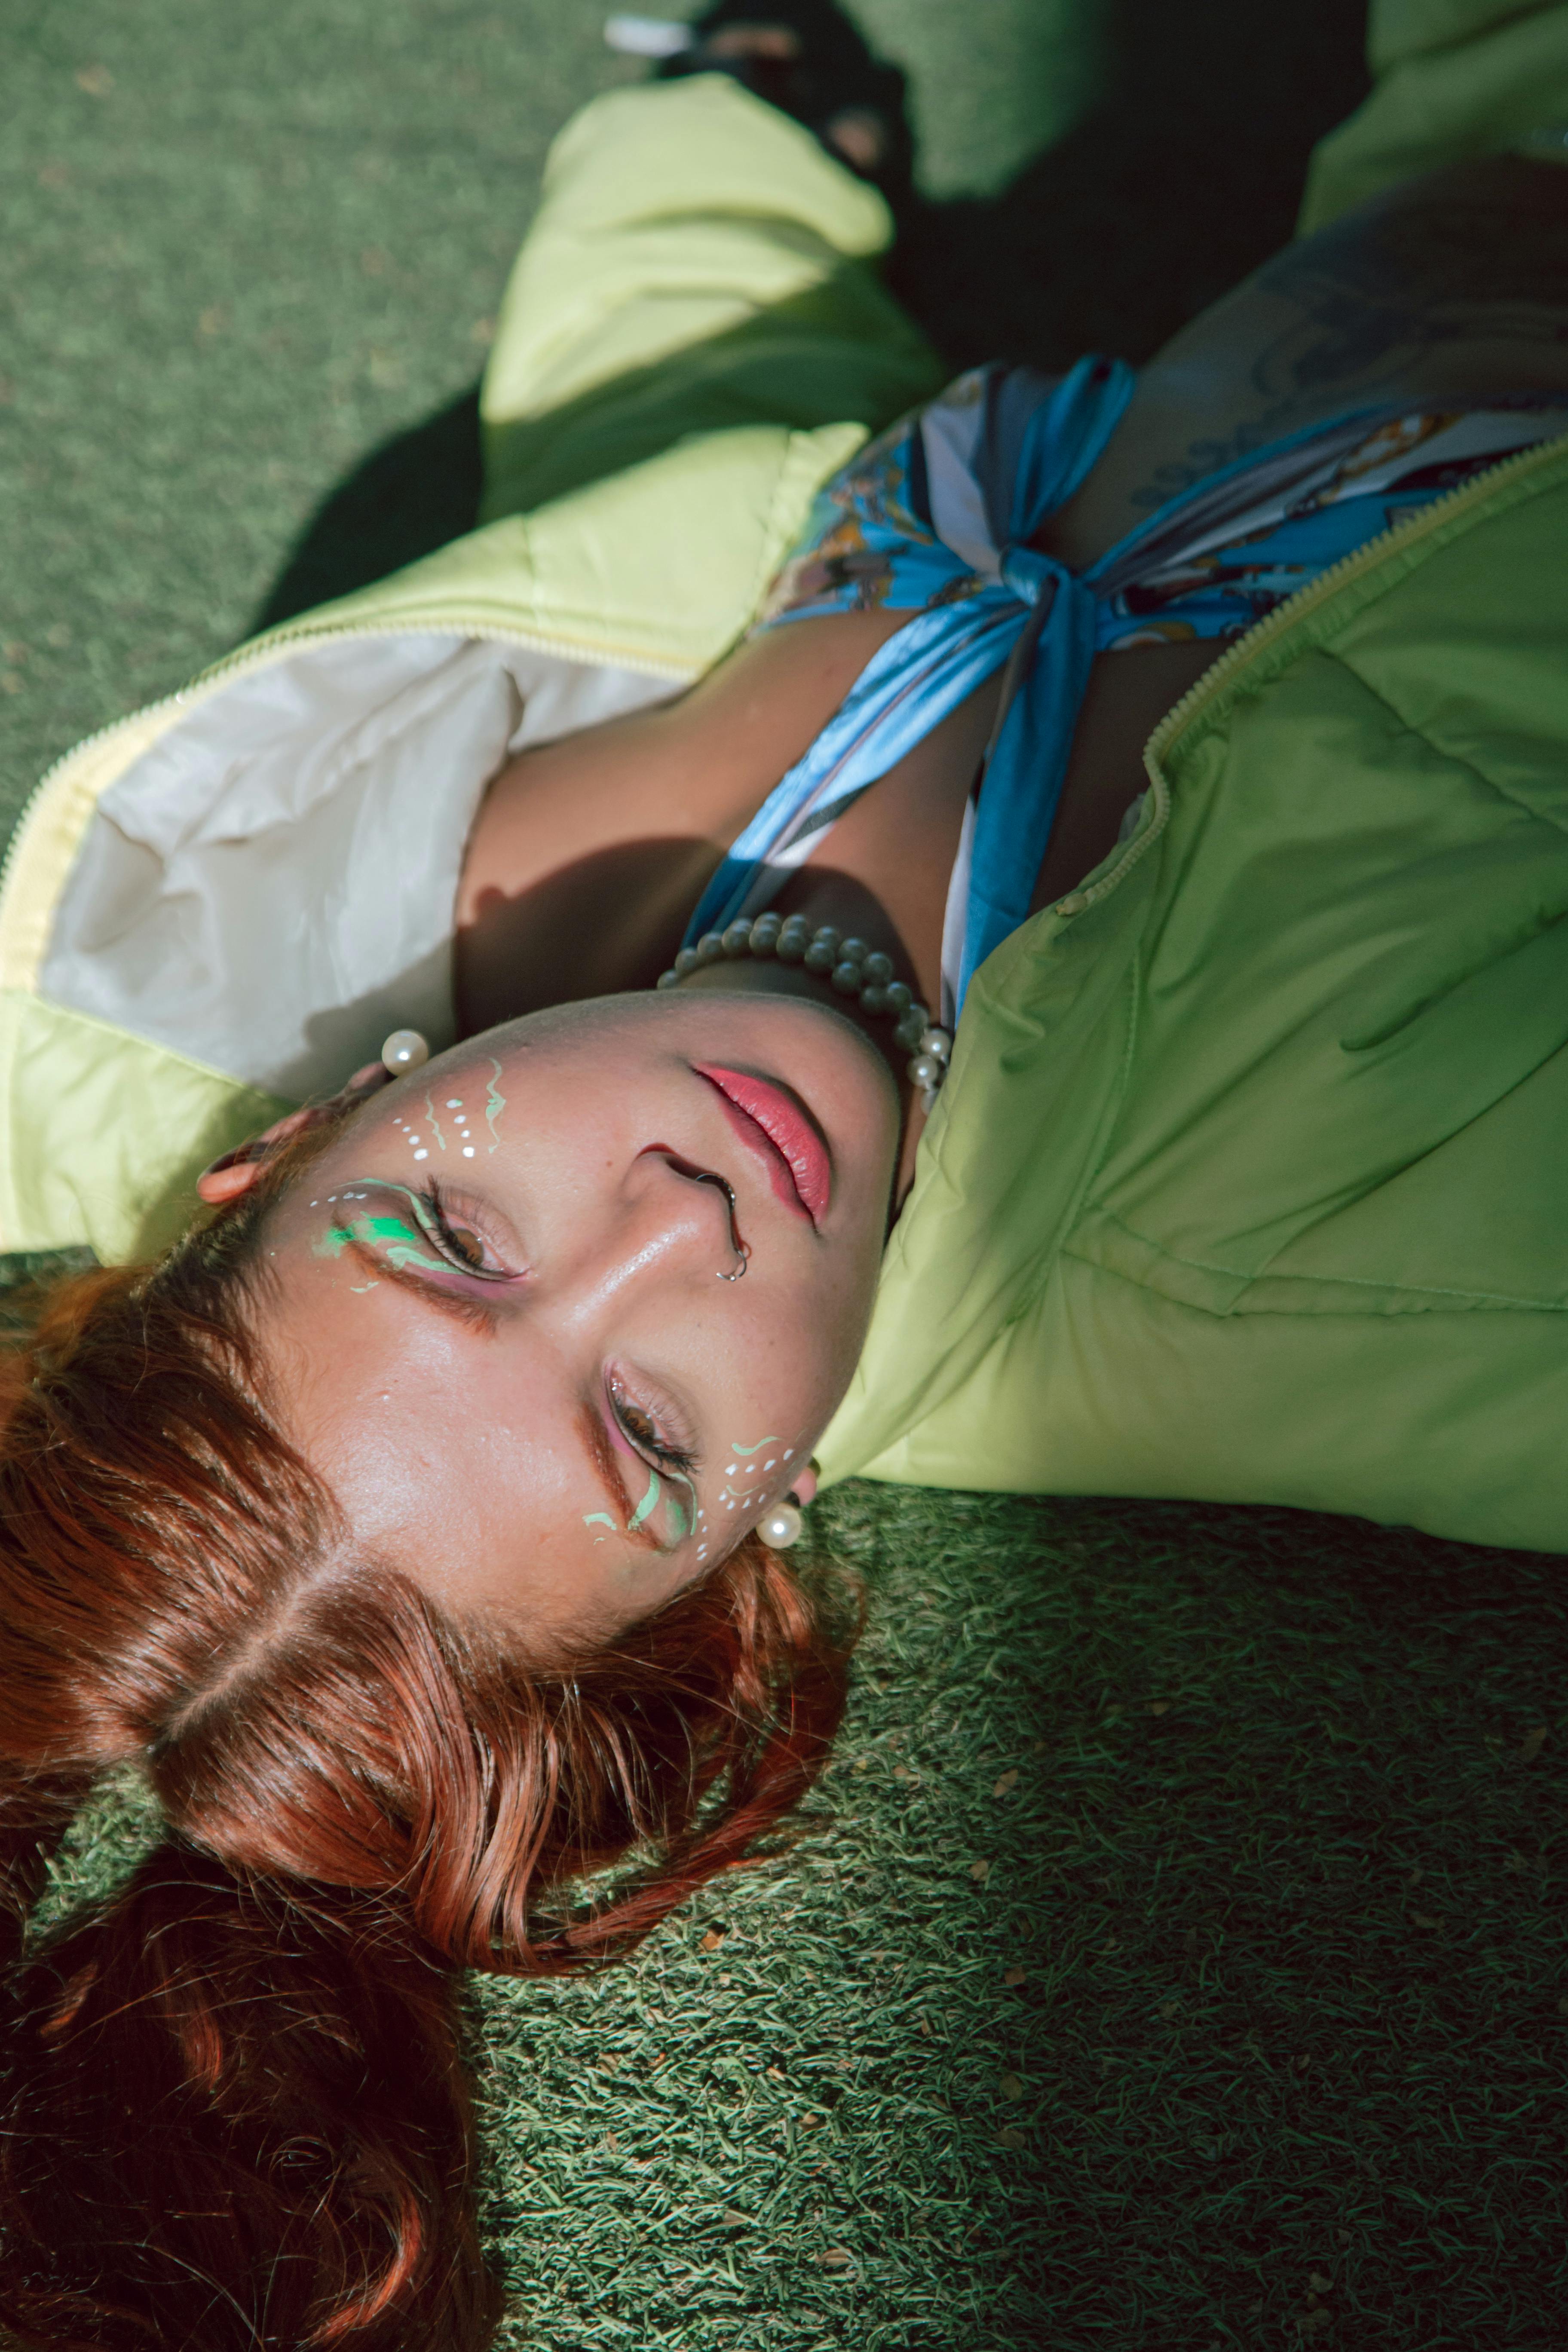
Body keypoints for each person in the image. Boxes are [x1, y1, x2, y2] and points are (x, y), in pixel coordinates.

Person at [2, 0, 1568, 2341]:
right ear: (749, 1549)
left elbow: (663, 390)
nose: (669, 1214)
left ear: (286, 1151)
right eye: (642, 1425)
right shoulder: (1326, 1263)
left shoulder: (374, 850)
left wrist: (730, 97)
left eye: (452, 1234)